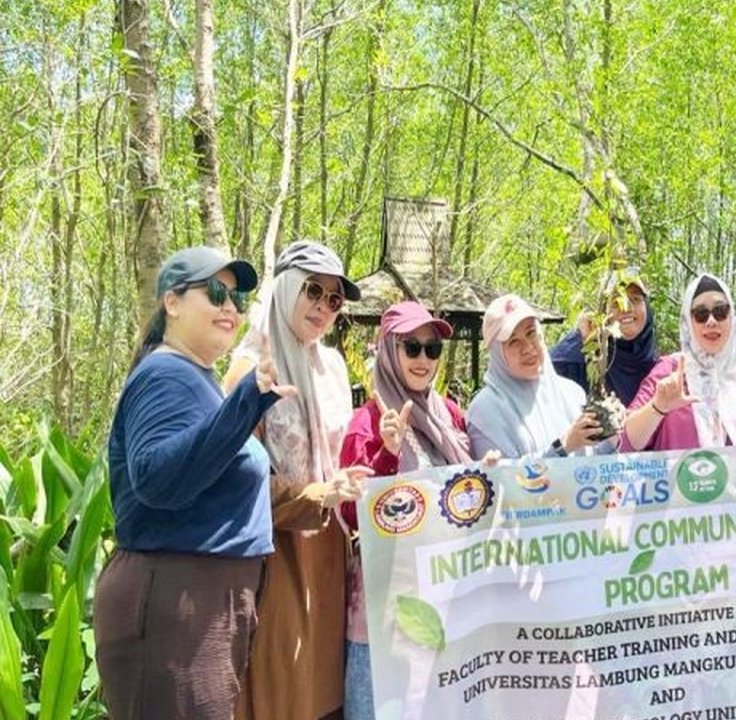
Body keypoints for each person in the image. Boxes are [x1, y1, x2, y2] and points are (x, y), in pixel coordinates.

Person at [95, 247, 290, 719]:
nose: (231, 307)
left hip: (200, 604)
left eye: (237, 298)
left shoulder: (194, 379)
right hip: (177, 602)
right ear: (173, 302)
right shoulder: (165, 375)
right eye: (217, 292)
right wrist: (245, 401)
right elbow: (158, 479)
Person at [229, 241, 373, 720]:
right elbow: (236, 483)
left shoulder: (332, 367)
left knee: (328, 693)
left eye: (335, 299)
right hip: (275, 554)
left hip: (332, 549)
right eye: (313, 290)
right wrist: (315, 496)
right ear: (286, 286)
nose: (323, 307)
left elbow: (343, 453)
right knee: (283, 691)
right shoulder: (251, 368)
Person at [338, 301, 470, 720]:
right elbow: (350, 515)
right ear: (388, 350)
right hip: (385, 614)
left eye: (432, 349)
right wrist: (387, 454)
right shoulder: (366, 422)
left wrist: (483, 476)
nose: (422, 359)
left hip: (446, 601)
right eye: (411, 347)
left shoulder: (449, 416)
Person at [621, 273, 736, 451]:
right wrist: (657, 407)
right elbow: (625, 442)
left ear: (732, 317)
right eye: (701, 314)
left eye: (720, 311)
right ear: (688, 321)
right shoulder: (671, 370)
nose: (711, 321)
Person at [467, 294, 615, 459]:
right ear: (497, 353)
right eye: (513, 341)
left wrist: (613, 434)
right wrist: (563, 446)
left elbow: (593, 461)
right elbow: (500, 474)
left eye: (531, 333)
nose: (528, 348)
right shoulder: (484, 412)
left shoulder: (572, 393)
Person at [549, 272, 660, 406]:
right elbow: (545, 377)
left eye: (635, 299)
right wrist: (581, 339)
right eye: (616, 302)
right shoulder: (587, 357)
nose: (627, 308)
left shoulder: (659, 367)